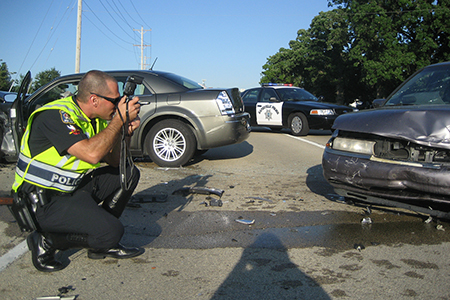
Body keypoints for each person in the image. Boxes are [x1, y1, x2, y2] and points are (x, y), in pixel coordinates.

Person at [12, 70, 144, 272]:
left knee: (127, 173)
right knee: (112, 232)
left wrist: (123, 131)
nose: (119, 104)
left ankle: (99, 239)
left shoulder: (95, 118)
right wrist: (118, 119)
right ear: (94, 99)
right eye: (115, 100)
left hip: (72, 188)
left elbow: (114, 161)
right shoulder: (55, 116)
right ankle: (46, 241)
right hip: (43, 200)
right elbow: (91, 155)